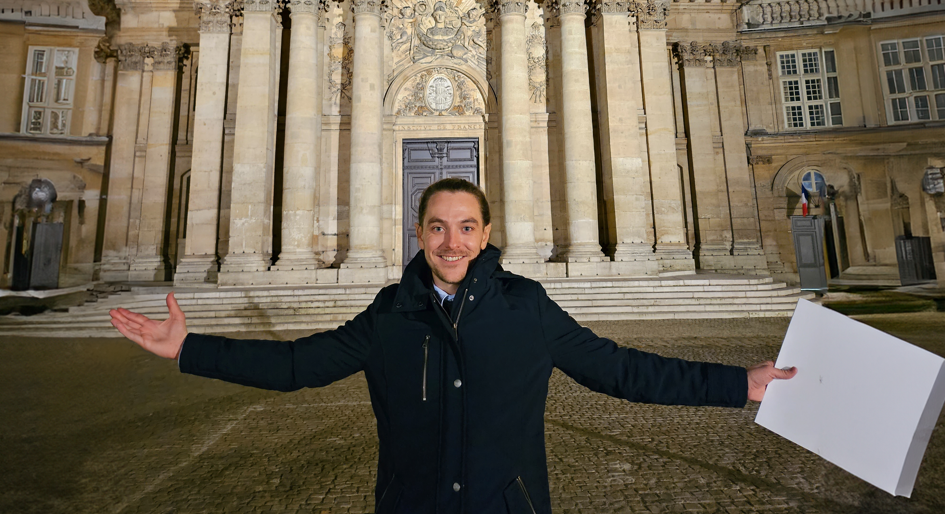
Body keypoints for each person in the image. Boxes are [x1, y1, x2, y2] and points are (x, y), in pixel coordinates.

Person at [110, 178, 796, 514]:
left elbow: (617, 370)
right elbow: (297, 366)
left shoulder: (525, 307)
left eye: (465, 226)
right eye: (437, 227)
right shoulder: (390, 315)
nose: (451, 241)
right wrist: (188, 349)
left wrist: (738, 384)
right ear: (418, 235)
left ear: (486, 231)